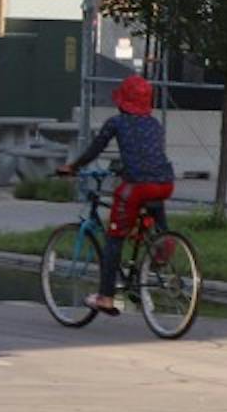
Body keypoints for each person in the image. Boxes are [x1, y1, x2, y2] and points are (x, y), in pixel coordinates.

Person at [59, 74, 175, 316]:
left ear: (123, 101)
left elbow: (95, 149)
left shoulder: (116, 123)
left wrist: (73, 166)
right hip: (164, 182)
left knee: (115, 237)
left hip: (137, 185)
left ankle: (105, 297)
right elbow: (148, 156)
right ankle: (163, 242)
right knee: (152, 200)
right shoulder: (155, 124)